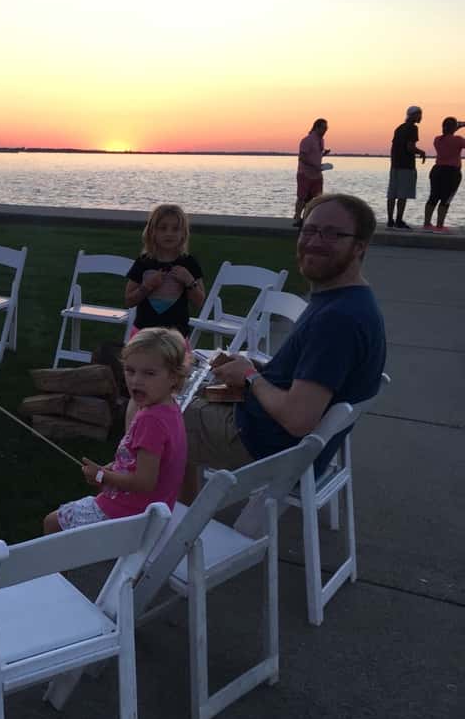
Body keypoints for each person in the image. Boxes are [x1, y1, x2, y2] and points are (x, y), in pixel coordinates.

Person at [181, 193, 386, 507]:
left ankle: (167, 530)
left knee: (153, 412)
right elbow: (309, 378)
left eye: (332, 233)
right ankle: (177, 511)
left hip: (265, 444)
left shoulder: (338, 319)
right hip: (271, 430)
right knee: (177, 384)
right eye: (309, 230)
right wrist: (258, 370)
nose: (314, 241)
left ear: (360, 246)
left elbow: (298, 418)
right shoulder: (347, 299)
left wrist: (250, 376)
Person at [43, 328, 188, 533]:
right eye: (130, 371)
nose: (136, 380)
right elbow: (144, 462)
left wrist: (102, 476)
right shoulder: (168, 408)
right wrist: (113, 467)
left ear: (174, 376)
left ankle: (70, 566)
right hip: (155, 507)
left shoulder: (151, 420)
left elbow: (144, 482)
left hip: (131, 515)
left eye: (149, 373)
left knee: (53, 522)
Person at [124, 203, 207, 341]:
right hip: (144, 333)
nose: (169, 233)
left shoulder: (189, 263)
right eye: (163, 228)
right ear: (152, 232)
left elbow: (199, 302)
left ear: (183, 233)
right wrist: (147, 287)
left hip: (177, 335)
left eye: (175, 229)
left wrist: (189, 281)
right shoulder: (144, 262)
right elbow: (128, 301)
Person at [387, 106, 427, 230]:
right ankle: (399, 220)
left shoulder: (399, 128)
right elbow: (410, 147)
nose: (421, 117)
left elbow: (394, 147)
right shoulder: (413, 128)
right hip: (406, 166)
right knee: (402, 194)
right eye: (419, 114)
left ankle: (390, 220)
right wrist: (421, 152)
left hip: (395, 165)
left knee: (392, 194)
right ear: (414, 115)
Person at [423, 116, 465, 232]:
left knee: (433, 197)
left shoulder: (437, 139)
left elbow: (448, 135)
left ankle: (427, 224)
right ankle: (440, 226)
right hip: (452, 173)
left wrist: (456, 127)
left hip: (437, 171)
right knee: (446, 199)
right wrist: (459, 127)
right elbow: (455, 139)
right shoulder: (458, 140)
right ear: (454, 127)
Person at [293, 118, 330, 227]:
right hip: (305, 174)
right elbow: (302, 158)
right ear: (317, 127)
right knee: (302, 197)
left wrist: (323, 154)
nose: (325, 130)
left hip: (317, 175)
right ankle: (297, 217)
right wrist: (314, 165)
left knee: (318, 198)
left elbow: (315, 156)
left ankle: (311, 217)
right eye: (324, 128)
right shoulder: (307, 140)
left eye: (326, 128)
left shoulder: (321, 140)